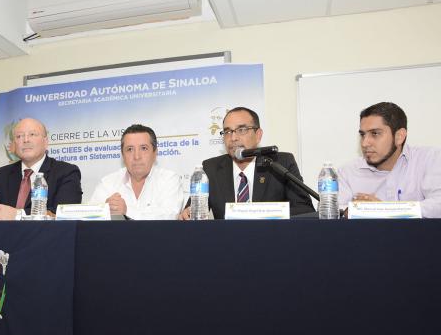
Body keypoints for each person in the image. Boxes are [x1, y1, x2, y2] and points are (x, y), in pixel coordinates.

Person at [180, 107, 314, 219]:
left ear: (258, 135)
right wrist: (187, 213)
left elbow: (305, 209)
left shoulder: (281, 163)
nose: (233, 138)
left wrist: (261, 213)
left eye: (241, 130)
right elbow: (193, 211)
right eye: (227, 131)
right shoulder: (211, 168)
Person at [338, 102, 441, 218]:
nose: (365, 143)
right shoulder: (347, 173)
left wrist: (384, 209)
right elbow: (334, 212)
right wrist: (351, 211)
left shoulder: (430, 159)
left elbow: (438, 206)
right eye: (363, 135)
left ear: (399, 137)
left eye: (375, 133)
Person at [0, 118, 82, 220]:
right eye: (19, 136)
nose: (26, 140)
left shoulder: (66, 172)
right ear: (14, 144)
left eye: (32, 134)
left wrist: (18, 215)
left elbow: (64, 213)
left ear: (45, 142)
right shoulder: (0, 175)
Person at [89, 124, 184, 219]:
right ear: (123, 155)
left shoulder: (169, 180)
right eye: (130, 149)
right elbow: (89, 217)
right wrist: (103, 211)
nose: (137, 156)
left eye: (143, 148)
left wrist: (126, 211)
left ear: (155, 153)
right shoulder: (107, 183)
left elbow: (169, 216)